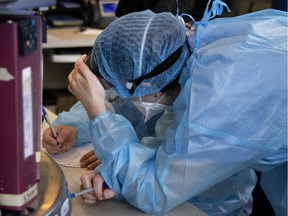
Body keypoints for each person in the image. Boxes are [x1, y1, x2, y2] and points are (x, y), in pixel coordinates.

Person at [42, 1, 287, 215]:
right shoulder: (188, 52)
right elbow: (172, 135)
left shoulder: (219, 93)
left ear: (150, 85)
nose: (118, 98)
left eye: (122, 92)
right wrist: (122, 169)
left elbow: (155, 192)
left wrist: (99, 114)